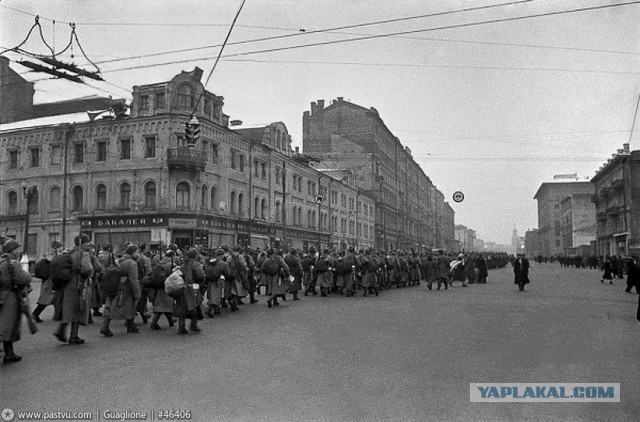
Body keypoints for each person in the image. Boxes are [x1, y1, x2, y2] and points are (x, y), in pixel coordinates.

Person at [53, 234, 95, 345]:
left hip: (68, 284)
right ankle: (72, 335)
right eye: (87, 243)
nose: (88, 245)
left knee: (70, 308)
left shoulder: (69, 253)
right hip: (79, 284)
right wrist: (91, 271)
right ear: (83, 243)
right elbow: (87, 268)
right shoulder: (83, 254)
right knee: (79, 308)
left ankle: (66, 332)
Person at [0, 240, 33, 363]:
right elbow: (22, 278)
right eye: (17, 249)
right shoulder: (13, 263)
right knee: (9, 325)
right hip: (11, 297)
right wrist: (28, 276)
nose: (19, 251)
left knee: (5, 324)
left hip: (2, 296)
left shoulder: (1, 261)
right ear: (12, 250)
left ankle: (9, 352)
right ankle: (9, 354)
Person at [100, 244, 142, 336]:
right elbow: (133, 280)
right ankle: (129, 325)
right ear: (133, 253)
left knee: (109, 305)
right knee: (129, 305)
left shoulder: (119, 260)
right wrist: (137, 293)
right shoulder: (132, 263)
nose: (138, 254)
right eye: (137, 252)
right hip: (125, 287)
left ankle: (105, 325)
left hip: (114, 285)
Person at [174, 248, 205, 334]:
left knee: (182, 307)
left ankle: (181, 327)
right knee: (195, 305)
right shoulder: (196, 264)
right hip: (193, 287)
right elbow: (200, 276)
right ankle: (193, 325)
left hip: (183, 287)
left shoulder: (183, 265)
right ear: (195, 255)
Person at [32, 240, 63, 322]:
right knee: (46, 299)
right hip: (50, 280)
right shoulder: (52, 256)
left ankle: (58, 315)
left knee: (54, 298)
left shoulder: (49, 254)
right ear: (56, 247)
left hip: (49, 279)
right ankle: (35, 314)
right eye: (60, 247)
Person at [149, 250, 177, 330]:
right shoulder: (172, 264)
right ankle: (154, 323)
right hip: (168, 286)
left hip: (159, 287)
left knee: (163, 305)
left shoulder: (160, 263)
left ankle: (171, 321)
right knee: (164, 306)